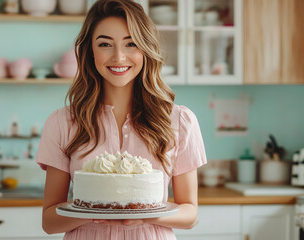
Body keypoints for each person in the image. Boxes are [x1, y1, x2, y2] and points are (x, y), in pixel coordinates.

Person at [36, 0, 207, 239]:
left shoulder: (179, 121)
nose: (119, 56)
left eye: (131, 43)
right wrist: (94, 211)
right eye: (105, 44)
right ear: (90, 50)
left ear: (145, 49)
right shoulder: (62, 123)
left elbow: (190, 214)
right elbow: (49, 222)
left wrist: (144, 214)